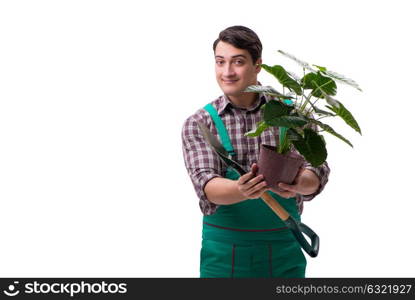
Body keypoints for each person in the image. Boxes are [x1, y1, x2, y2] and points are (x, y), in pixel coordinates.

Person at [181, 25, 330, 278]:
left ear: (258, 64)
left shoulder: (292, 114)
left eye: (238, 62)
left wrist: (299, 182)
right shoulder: (200, 123)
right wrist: (241, 189)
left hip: (285, 248)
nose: (227, 72)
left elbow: (317, 169)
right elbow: (206, 185)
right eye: (220, 62)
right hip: (224, 254)